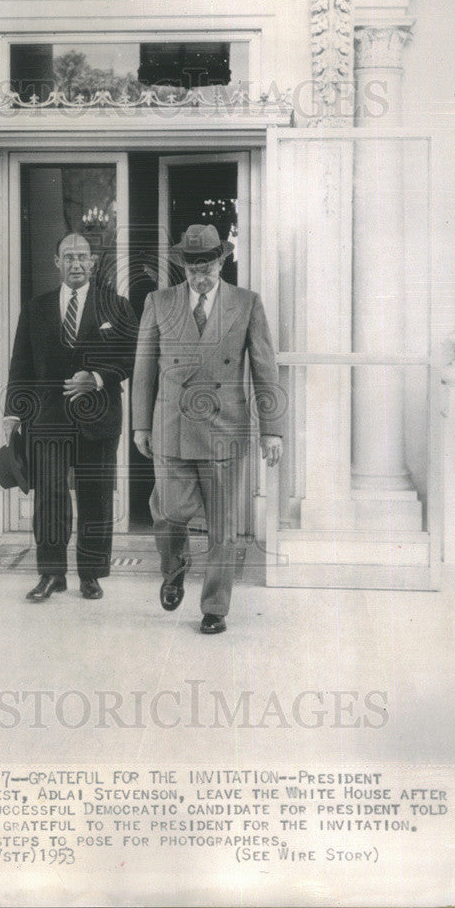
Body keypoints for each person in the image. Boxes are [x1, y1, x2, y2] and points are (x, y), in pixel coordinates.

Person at [132, 223, 282, 634]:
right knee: (168, 512)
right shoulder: (158, 302)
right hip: (171, 426)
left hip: (224, 429)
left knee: (223, 526)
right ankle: (174, 567)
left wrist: (273, 429)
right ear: (182, 265)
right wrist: (140, 426)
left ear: (222, 260)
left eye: (209, 264)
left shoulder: (247, 303)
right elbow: (144, 367)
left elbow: (265, 368)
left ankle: (215, 607)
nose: (201, 273)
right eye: (193, 265)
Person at [4, 233, 137, 601]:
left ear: (93, 262)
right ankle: (51, 574)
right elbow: (21, 364)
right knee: (49, 498)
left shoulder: (117, 306)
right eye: (69, 257)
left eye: (83, 257)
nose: (76, 263)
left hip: (99, 419)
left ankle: (91, 576)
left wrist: (96, 378)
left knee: (96, 497)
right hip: (47, 420)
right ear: (56, 262)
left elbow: (131, 358)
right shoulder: (36, 308)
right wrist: (13, 413)